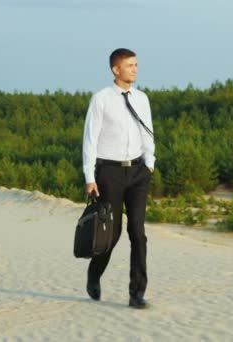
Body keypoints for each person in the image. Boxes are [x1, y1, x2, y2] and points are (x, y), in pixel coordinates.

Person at [82, 48, 155, 309]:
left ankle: (137, 293)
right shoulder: (101, 99)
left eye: (136, 64)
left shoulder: (142, 98)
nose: (135, 69)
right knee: (110, 235)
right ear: (116, 69)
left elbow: (148, 132)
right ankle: (94, 273)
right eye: (130, 65)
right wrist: (90, 176)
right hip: (109, 173)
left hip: (137, 172)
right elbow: (90, 140)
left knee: (138, 232)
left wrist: (150, 164)